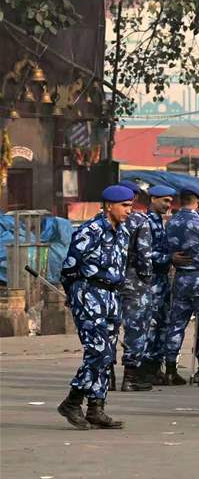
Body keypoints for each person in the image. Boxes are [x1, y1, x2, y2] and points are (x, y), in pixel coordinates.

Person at [57, 183, 136, 430]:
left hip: (112, 297)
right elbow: (69, 267)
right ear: (109, 206)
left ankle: (96, 407)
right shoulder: (90, 231)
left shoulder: (122, 232)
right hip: (89, 293)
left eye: (130, 206)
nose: (129, 210)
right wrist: (74, 294)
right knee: (97, 351)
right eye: (124, 206)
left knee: (108, 354)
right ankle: (72, 401)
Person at [158, 186, 199, 387]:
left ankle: (170, 369)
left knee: (176, 324)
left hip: (180, 278)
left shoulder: (171, 223)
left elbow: (166, 248)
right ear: (197, 201)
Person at [117, 183, 163, 392]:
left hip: (110, 280)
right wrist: (146, 278)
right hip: (134, 281)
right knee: (136, 328)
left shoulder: (100, 220)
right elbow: (144, 255)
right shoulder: (139, 220)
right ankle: (130, 377)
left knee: (109, 328)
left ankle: (107, 375)